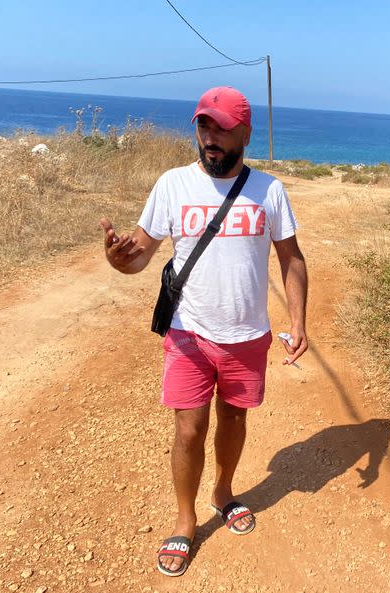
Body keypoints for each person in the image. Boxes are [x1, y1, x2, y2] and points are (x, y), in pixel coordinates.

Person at [99, 86, 308, 577]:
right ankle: (185, 518)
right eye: (203, 126)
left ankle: (224, 491)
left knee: (234, 421)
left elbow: (291, 258)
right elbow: (141, 255)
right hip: (188, 334)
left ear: (245, 133)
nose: (210, 138)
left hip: (248, 335)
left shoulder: (269, 191)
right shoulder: (172, 185)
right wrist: (118, 261)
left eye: (222, 128)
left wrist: (298, 321)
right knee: (189, 429)